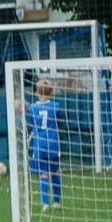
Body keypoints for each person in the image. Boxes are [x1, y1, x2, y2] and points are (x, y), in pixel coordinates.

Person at [27, 77, 62, 211]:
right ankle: (57, 201)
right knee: (56, 172)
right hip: (53, 144)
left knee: (43, 174)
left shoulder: (33, 108)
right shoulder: (56, 106)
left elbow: (31, 124)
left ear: (36, 92)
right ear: (51, 93)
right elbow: (59, 121)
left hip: (40, 146)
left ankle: (45, 203)